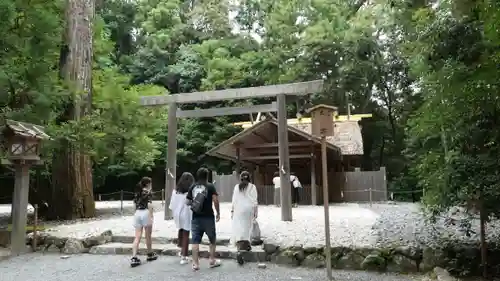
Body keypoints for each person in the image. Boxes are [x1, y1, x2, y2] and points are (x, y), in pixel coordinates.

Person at [186, 167, 221, 271]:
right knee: (212, 239)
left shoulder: (192, 186)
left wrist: (195, 203)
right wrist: (218, 212)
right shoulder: (210, 186)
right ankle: (212, 260)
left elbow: (187, 202)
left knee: (195, 241)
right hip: (208, 217)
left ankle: (196, 264)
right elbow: (215, 200)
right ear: (207, 176)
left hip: (196, 217)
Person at [130, 177, 158, 267]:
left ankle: (134, 257)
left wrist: (135, 214)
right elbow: (149, 204)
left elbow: (134, 205)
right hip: (145, 212)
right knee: (148, 235)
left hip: (137, 213)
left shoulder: (137, 192)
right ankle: (150, 253)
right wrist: (151, 215)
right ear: (148, 184)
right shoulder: (147, 192)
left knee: (137, 236)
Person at [169, 172, 194, 265]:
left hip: (177, 214)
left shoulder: (175, 191)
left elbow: (171, 205)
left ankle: (181, 249)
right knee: (186, 234)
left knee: (181, 230)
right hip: (187, 214)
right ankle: (184, 256)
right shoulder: (191, 191)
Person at [231, 171, 258, 256]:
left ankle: (239, 248)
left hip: (238, 210)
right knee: (247, 228)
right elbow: (254, 200)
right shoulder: (252, 187)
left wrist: (232, 211)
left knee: (239, 228)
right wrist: (256, 212)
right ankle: (246, 245)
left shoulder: (236, 187)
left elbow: (234, 200)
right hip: (248, 210)